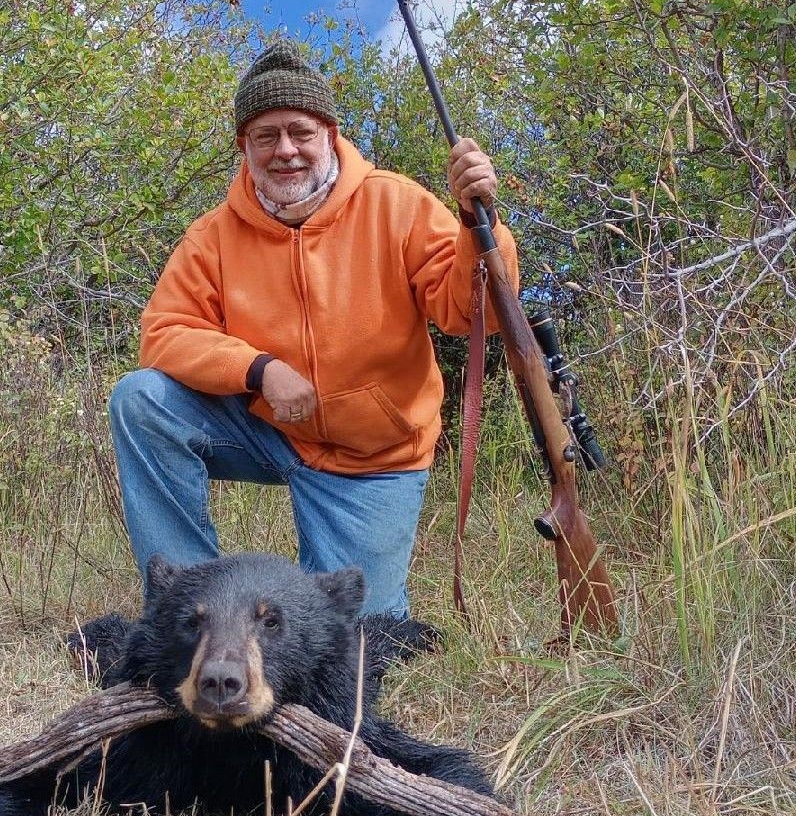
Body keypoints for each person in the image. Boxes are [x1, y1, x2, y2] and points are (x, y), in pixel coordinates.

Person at [109, 40, 519, 618]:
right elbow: (165, 332)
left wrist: (484, 227)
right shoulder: (213, 235)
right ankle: (189, 610)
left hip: (373, 454)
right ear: (243, 146)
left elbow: (473, 315)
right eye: (265, 136)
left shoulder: (396, 205)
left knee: (359, 639)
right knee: (141, 400)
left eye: (299, 132)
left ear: (329, 132)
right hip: (268, 427)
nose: (285, 151)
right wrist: (260, 370)